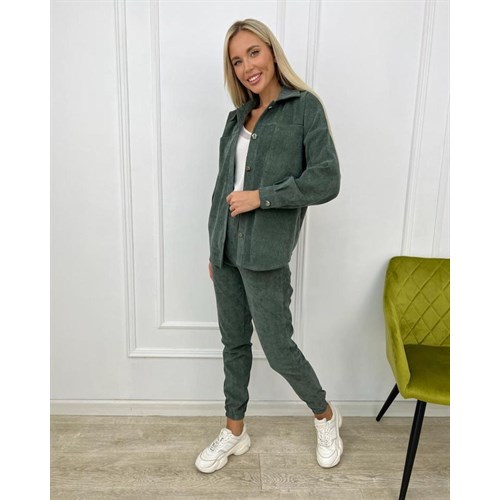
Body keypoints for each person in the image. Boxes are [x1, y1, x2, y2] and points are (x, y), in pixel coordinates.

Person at [195, 18, 342, 474]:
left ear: (272, 52)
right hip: (226, 253)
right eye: (237, 61)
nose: (247, 66)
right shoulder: (236, 119)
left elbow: (326, 179)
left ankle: (326, 416)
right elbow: (222, 189)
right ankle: (234, 431)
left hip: (265, 256)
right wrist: (214, 248)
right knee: (234, 345)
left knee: (278, 349)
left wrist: (263, 197)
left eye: (253, 53)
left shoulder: (305, 108)